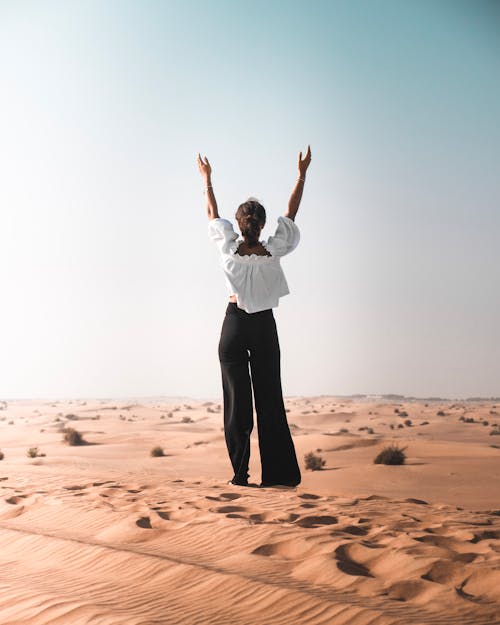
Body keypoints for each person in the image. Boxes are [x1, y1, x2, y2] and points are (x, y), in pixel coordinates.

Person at [198, 146, 312, 487]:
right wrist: (301, 174)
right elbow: (291, 213)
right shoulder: (274, 250)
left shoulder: (227, 248)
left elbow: (210, 213)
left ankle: (239, 475)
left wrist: (207, 180)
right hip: (263, 325)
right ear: (262, 225)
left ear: (240, 223)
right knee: (269, 401)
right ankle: (277, 476)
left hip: (233, 324)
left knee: (237, 406)